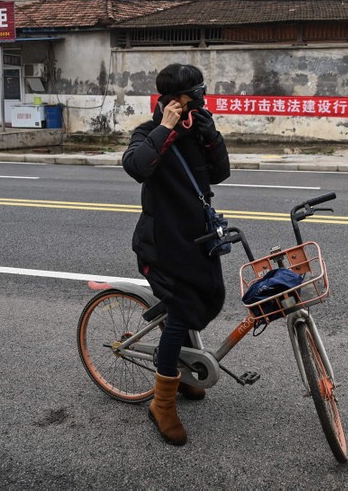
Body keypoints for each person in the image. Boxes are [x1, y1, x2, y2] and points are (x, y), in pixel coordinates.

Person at [122, 63, 230, 446]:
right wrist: (164, 128)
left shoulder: (197, 131)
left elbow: (220, 174)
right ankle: (162, 403)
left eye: (202, 91)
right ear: (174, 100)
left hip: (198, 241)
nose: (202, 99)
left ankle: (182, 370)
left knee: (208, 299)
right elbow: (136, 167)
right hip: (162, 245)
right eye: (196, 94)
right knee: (182, 311)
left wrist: (211, 135)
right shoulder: (148, 133)